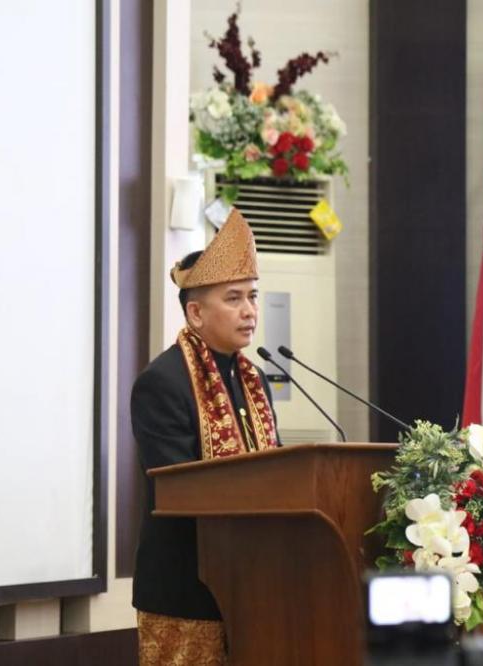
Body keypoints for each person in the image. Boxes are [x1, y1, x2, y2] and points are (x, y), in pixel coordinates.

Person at [130, 209, 280, 666]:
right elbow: (177, 488)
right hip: (185, 591)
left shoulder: (256, 380)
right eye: (234, 298)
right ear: (195, 312)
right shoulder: (164, 381)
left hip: (255, 588)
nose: (250, 310)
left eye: (252, 296)